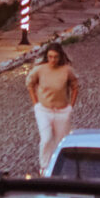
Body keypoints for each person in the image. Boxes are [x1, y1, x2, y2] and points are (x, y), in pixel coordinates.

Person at [26, 42, 80, 173]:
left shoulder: (67, 70)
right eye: (50, 57)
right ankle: (44, 167)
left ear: (60, 57)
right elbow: (29, 83)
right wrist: (36, 103)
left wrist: (70, 107)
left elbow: (75, 86)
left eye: (55, 57)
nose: (52, 60)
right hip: (44, 110)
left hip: (62, 111)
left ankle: (58, 166)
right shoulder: (39, 70)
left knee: (60, 141)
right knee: (46, 139)